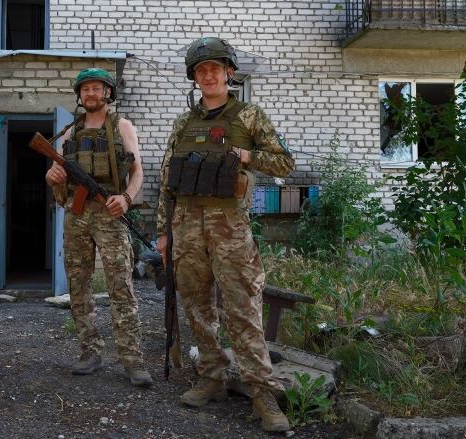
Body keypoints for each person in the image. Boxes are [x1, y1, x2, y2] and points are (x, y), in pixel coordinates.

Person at [155, 37, 295, 432]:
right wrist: (163, 234)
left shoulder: (249, 116)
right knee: (198, 307)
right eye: (201, 70)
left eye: (215, 68)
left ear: (229, 73)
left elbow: (284, 160)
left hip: (230, 229)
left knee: (243, 309)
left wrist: (247, 155)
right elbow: (167, 180)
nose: (208, 75)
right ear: (194, 78)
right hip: (185, 228)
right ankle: (213, 377)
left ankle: (262, 393)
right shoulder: (184, 123)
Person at [45, 68, 153, 387]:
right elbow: (55, 170)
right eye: (86, 89)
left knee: (121, 286)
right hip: (77, 215)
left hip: (110, 214)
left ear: (108, 93)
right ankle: (89, 351)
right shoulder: (69, 132)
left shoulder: (122, 127)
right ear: (79, 95)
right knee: (78, 286)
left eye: (97, 88)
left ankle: (132, 359)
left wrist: (127, 199)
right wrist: (52, 176)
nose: (91, 94)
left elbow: (137, 172)